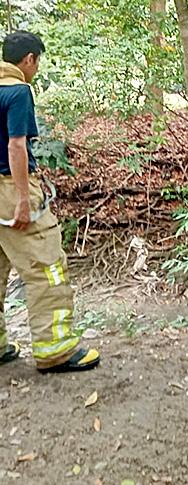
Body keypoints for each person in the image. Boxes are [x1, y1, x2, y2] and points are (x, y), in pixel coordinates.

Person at [0, 31, 100, 372]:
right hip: (10, 189)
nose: (37, 68)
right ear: (29, 59)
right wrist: (23, 200)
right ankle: (54, 350)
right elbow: (16, 146)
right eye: (37, 62)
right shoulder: (18, 91)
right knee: (47, 267)